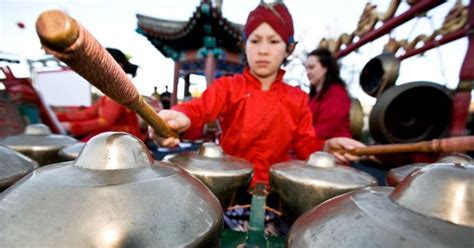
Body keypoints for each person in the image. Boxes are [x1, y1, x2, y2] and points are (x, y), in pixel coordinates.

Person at [150, 2, 364, 187]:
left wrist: (325, 147)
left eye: (273, 41)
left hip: (276, 190)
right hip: (230, 186)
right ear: (244, 45)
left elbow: (305, 145)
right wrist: (180, 117)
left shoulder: (297, 98)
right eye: (255, 41)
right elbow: (198, 109)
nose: (263, 50)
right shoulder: (227, 87)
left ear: (289, 49)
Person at [56, 48, 143, 142]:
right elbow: (87, 113)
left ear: (119, 66)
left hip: (123, 145)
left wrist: (70, 126)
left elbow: (105, 122)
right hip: (116, 141)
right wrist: (58, 116)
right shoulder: (111, 93)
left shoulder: (120, 90)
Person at [305, 48, 352, 139]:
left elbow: (325, 129)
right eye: (306, 68)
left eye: (311, 67)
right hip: (313, 146)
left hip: (335, 149)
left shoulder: (336, 93)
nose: (308, 72)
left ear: (325, 67)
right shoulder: (312, 97)